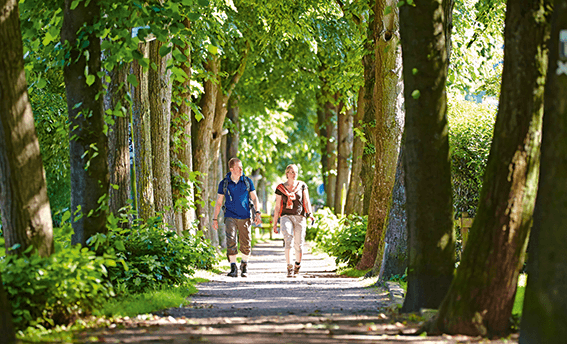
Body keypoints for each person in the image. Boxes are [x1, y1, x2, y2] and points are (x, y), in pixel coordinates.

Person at [212, 158, 262, 277]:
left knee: (245, 242)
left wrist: (257, 213)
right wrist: (214, 218)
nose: (241, 169)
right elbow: (219, 202)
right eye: (238, 167)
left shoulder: (247, 181)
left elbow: (254, 198)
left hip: (245, 216)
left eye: (241, 167)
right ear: (231, 169)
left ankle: (244, 265)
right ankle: (233, 267)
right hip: (230, 216)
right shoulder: (224, 183)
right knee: (231, 240)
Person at [272, 164, 315, 277]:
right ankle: (289, 267)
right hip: (286, 216)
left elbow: (306, 202)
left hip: (300, 217)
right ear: (287, 174)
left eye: (295, 172)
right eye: (291, 172)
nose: (294, 174)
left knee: (299, 244)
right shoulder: (280, 188)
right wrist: (275, 223)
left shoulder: (302, 186)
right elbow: (277, 207)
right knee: (288, 238)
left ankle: (297, 265)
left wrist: (310, 214)